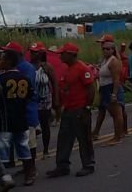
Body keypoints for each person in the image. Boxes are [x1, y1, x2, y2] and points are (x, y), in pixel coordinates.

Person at [46, 43, 95, 178]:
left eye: (62, 53)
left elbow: (91, 89)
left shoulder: (82, 68)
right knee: (63, 139)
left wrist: (87, 108)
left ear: (71, 54)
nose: (60, 55)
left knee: (84, 139)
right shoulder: (67, 69)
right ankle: (62, 166)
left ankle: (88, 165)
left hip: (80, 109)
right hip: (68, 109)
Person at [0, 44, 36, 186]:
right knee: (23, 147)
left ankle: (3, 178)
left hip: (5, 120)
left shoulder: (0, 79)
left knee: (2, 150)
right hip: (22, 118)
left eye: (1, 59)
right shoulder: (24, 78)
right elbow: (30, 96)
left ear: (7, 62)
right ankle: (29, 174)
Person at [29, 42, 60, 159]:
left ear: (41, 53)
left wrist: (56, 99)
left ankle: (46, 150)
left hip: (45, 101)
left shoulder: (47, 67)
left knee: (45, 125)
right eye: (31, 51)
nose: (32, 54)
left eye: (35, 52)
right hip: (32, 102)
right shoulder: (29, 67)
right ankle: (32, 152)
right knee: (31, 128)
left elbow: (54, 83)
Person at [92, 40, 125, 146]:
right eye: (103, 49)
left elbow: (116, 80)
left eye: (108, 49)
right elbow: (102, 73)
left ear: (113, 50)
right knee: (109, 112)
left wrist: (114, 94)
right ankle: (99, 133)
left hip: (111, 88)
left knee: (117, 113)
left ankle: (117, 137)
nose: (105, 50)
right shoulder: (104, 61)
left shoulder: (113, 61)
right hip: (104, 88)